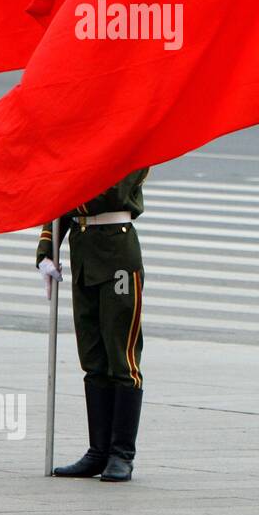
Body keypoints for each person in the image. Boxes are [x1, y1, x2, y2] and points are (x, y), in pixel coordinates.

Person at [36, 169, 149, 482]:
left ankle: (121, 454)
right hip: (84, 251)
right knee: (93, 357)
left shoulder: (132, 142)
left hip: (118, 255)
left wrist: (68, 187)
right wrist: (46, 251)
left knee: (121, 357)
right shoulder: (86, 147)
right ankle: (98, 451)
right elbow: (63, 196)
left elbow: (110, 190)